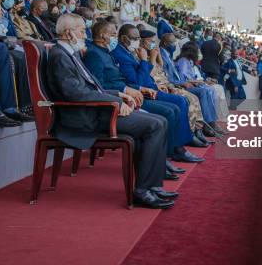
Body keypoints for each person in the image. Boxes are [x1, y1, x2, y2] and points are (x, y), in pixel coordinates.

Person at [47, 14, 176, 209]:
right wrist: (115, 100)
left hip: (98, 110)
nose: (85, 34)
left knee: (159, 121)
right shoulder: (59, 56)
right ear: (68, 33)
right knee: (156, 124)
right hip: (85, 117)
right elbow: (76, 94)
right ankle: (143, 191)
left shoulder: (69, 53)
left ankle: (152, 187)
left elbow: (93, 88)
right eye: (82, 31)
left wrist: (118, 94)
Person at [84, 20, 199, 175]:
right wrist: (131, 87)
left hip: (135, 92)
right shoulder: (98, 53)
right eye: (112, 34)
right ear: (103, 35)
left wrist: (138, 87)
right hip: (121, 99)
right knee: (170, 111)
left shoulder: (107, 52)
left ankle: (173, 152)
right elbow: (99, 86)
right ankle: (168, 156)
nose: (114, 38)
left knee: (176, 106)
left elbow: (125, 80)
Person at [111, 24, 203, 163]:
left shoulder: (130, 51)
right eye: (135, 38)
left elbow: (149, 75)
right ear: (124, 38)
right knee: (178, 103)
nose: (138, 41)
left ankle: (179, 146)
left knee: (181, 101)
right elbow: (138, 80)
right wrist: (143, 60)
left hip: (151, 88)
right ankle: (175, 150)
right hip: (142, 92)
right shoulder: (120, 53)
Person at [174, 40, 229, 124]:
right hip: (185, 86)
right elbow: (183, 79)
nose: (199, 52)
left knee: (212, 89)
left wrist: (205, 80)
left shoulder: (189, 61)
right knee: (205, 91)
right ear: (192, 51)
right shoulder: (183, 61)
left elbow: (194, 76)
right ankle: (209, 122)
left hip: (194, 84)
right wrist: (198, 81)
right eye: (197, 50)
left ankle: (212, 120)